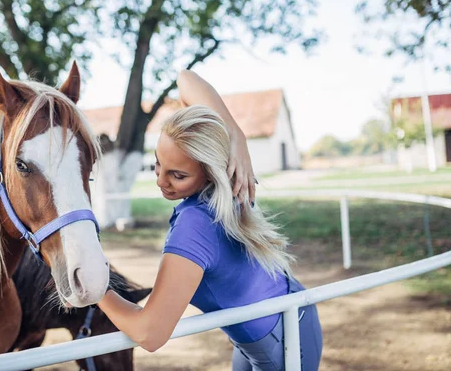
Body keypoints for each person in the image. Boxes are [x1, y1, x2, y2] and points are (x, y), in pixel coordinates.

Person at [98, 70, 323, 370]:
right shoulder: (230, 187)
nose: (161, 181)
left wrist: (96, 288)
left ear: (212, 172)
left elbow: (149, 333)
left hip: (286, 342)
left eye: (178, 175)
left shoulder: (200, 221)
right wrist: (235, 135)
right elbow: (185, 79)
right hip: (266, 329)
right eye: (157, 165)